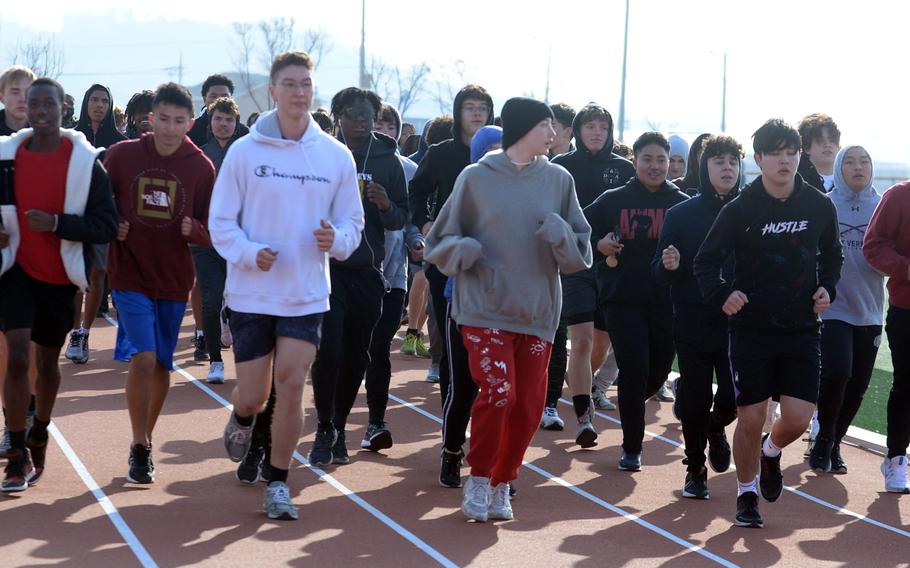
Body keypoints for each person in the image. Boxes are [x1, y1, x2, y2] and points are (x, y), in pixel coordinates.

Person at [211, 51, 364, 520]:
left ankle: (278, 482)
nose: (299, 93)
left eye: (306, 85)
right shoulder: (244, 152)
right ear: (273, 92)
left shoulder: (335, 156)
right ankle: (241, 417)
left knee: (293, 383)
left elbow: (352, 225)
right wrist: (247, 252)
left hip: (305, 293)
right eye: (290, 84)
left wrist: (334, 240)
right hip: (252, 291)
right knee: (255, 394)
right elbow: (220, 223)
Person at [426, 97, 592, 522]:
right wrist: (460, 249)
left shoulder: (559, 180)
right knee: (499, 393)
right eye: (546, 126)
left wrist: (562, 236)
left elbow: (580, 256)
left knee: (528, 407)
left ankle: (503, 482)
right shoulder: (476, 178)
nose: (554, 135)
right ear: (523, 129)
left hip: (537, 313)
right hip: (483, 309)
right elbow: (437, 244)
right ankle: (478, 478)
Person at [694, 118, 843, 528]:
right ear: (758, 159)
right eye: (775, 153)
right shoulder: (741, 208)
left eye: (791, 152)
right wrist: (723, 294)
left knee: (796, 416)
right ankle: (745, 494)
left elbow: (834, 255)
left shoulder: (817, 204)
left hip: (801, 328)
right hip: (751, 330)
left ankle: (772, 452)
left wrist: (827, 286)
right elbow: (705, 262)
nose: (785, 160)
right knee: (752, 415)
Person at [0, 77, 117, 492]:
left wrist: (57, 224)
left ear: (63, 109)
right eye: (36, 106)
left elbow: (105, 224)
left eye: (50, 105)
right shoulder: (6, 157)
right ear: (27, 111)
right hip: (14, 272)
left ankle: (39, 431)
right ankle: (15, 455)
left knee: (47, 367)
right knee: (17, 358)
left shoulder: (85, 163)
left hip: (61, 277)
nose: (42, 112)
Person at [104, 82, 216, 485]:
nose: (171, 128)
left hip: (173, 278)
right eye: (163, 119)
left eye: (179, 121)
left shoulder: (201, 167)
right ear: (151, 119)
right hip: (129, 272)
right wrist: (110, 224)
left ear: (190, 122)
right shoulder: (123, 155)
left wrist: (196, 229)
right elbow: (97, 201)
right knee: (145, 357)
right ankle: (137, 444)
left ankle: (147, 439)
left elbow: (215, 227)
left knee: (163, 365)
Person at [307, 88, 408, 467]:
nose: (361, 121)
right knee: (329, 349)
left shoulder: (388, 160)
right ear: (337, 117)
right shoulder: (321, 154)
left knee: (356, 356)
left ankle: (339, 426)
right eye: (353, 114)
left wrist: (385, 206)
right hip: (327, 267)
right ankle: (322, 426)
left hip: (368, 270)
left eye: (368, 114)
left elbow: (402, 216)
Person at [584, 131, 688, 471]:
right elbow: (579, 228)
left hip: (667, 301)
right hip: (623, 299)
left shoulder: (681, 202)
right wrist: (599, 245)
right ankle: (632, 447)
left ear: (670, 163)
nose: (655, 166)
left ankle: (628, 402)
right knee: (633, 368)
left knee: (655, 374)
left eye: (662, 160)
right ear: (635, 162)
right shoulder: (613, 199)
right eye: (648, 159)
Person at [652, 135, 741, 499]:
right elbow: (657, 271)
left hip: (741, 320)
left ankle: (715, 426)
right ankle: (695, 468)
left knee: (738, 395)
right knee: (696, 394)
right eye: (718, 161)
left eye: (733, 161)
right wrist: (669, 265)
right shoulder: (681, 214)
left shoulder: (753, 210)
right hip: (692, 316)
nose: (727, 168)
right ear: (704, 168)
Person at [544, 103, 635, 442]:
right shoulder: (561, 167)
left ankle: (581, 385)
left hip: (614, 268)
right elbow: (553, 217)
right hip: (573, 264)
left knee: (600, 344)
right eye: (590, 126)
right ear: (577, 131)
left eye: (603, 126)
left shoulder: (625, 168)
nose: (597, 132)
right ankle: (580, 416)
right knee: (576, 340)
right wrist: (592, 242)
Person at [810, 145, 883, 474]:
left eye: (864, 161)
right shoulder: (824, 204)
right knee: (838, 371)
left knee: (859, 384)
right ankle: (824, 435)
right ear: (840, 167)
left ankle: (835, 441)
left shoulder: (882, 206)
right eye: (850, 161)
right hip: (833, 307)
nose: (858, 167)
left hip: (869, 309)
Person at [362, 103, 423, 452]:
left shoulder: (409, 169)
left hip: (393, 275)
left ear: (400, 133)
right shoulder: (350, 162)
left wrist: (416, 239)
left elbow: (410, 215)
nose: (384, 132)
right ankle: (333, 423)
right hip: (353, 271)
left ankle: (375, 422)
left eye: (390, 127)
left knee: (380, 348)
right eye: (379, 126)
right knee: (352, 350)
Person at [66, 84, 127, 365]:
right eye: (94, 99)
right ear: (86, 103)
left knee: (98, 273)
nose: (99, 105)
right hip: (74, 214)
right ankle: (70, 328)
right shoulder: (72, 137)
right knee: (75, 275)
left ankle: (83, 332)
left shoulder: (119, 141)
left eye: (104, 100)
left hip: (105, 217)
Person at [863, 169, 910, 494]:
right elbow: (873, 245)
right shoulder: (898, 196)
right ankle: (896, 458)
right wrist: (906, 267)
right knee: (907, 384)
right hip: (906, 307)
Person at [192, 96, 243, 384]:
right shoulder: (200, 156)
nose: (223, 124)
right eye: (218, 119)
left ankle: (229, 319)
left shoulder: (245, 155)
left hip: (238, 241)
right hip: (206, 241)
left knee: (238, 301)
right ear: (210, 123)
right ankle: (215, 360)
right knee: (210, 300)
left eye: (229, 119)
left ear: (236, 124)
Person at [0, 64, 35, 460]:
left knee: (33, 351)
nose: (22, 97)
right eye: (14, 90)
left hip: (40, 255)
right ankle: (13, 423)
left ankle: (29, 412)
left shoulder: (48, 137)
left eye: (28, 90)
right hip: (3, 258)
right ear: (2, 95)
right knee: (6, 349)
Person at [188, 74, 250, 147]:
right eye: (214, 96)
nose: (219, 100)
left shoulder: (244, 134)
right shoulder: (191, 131)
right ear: (205, 99)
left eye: (224, 96)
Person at [798, 113, 840, 192]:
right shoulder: (796, 182)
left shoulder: (849, 179)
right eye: (820, 140)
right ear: (806, 147)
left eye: (832, 140)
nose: (827, 145)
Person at [0, 66, 35, 136]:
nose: (23, 99)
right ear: (1, 97)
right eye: (15, 93)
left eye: (28, 92)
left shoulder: (46, 132)